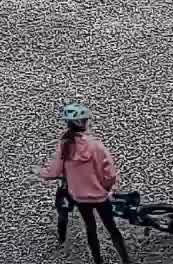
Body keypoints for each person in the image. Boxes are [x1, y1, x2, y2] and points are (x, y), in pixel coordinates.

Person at [38, 103, 131, 264]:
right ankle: (126, 260)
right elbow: (109, 174)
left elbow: (54, 172)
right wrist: (107, 187)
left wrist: (40, 173)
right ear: (85, 123)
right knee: (112, 229)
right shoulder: (96, 146)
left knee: (90, 228)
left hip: (80, 198)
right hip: (100, 196)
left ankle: (98, 260)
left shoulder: (65, 147)